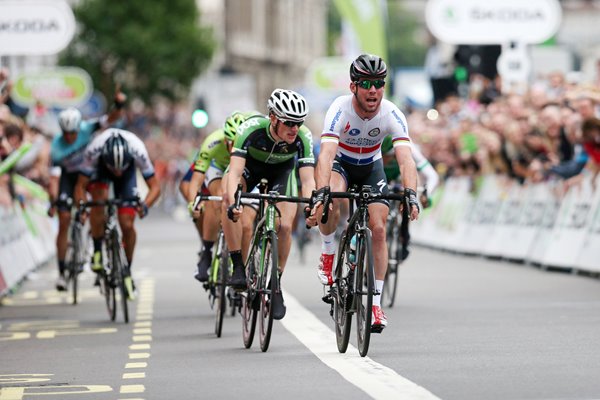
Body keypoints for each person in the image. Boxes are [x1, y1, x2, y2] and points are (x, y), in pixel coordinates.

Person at [310, 54, 420, 330]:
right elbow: (326, 155)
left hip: (372, 166)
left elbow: (406, 159)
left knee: (379, 229)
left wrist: (411, 193)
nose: (373, 90)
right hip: (342, 164)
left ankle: (374, 305)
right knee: (332, 200)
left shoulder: (392, 113)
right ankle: (328, 253)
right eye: (366, 83)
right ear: (353, 87)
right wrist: (322, 191)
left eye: (379, 83)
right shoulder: (339, 109)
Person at [221, 89, 316, 320]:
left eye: (299, 123)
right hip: (249, 169)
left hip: (281, 173)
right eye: (289, 123)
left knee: (284, 226)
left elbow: (307, 179)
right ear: (273, 117)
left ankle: (276, 283)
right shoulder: (250, 130)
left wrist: (313, 205)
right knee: (228, 195)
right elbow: (234, 172)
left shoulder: (303, 137)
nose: (295, 128)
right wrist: (234, 200)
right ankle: (238, 265)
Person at [48, 98, 125, 291]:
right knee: (64, 218)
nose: (70, 138)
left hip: (91, 175)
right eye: (66, 134)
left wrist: (119, 105)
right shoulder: (56, 147)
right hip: (69, 178)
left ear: (78, 128)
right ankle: (62, 272)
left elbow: (111, 118)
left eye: (73, 133)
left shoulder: (87, 128)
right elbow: (54, 180)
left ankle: (98, 239)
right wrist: (54, 201)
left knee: (99, 204)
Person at [74, 129, 161, 299]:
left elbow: (155, 187)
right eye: (115, 169)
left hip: (128, 174)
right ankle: (97, 250)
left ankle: (126, 269)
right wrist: (83, 206)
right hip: (101, 171)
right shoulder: (94, 151)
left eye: (120, 169)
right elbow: (80, 186)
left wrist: (145, 205)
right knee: (98, 200)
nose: (117, 172)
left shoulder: (138, 150)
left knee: (127, 223)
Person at [186, 110, 262, 282]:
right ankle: (206, 252)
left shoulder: (252, 142)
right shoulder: (212, 142)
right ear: (226, 140)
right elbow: (195, 181)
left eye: (239, 144)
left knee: (247, 225)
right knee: (220, 197)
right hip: (219, 169)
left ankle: (240, 269)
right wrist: (193, 203)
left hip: (244, 171)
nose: (235, 148)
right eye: (231, 144)